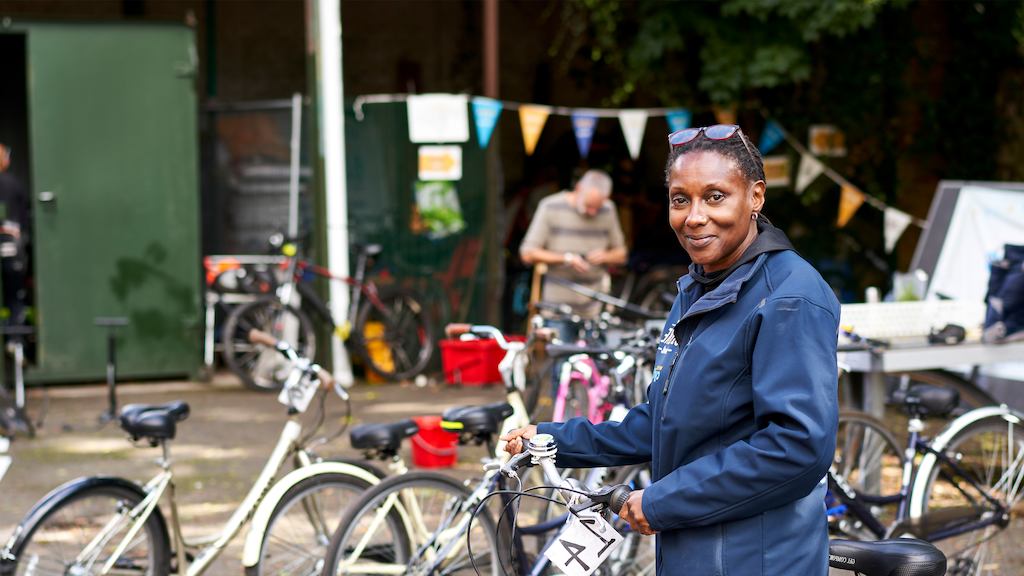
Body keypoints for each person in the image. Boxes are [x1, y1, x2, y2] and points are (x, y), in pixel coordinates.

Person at [503, 125, 840, 576]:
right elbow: (666, 422)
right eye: (680, 199)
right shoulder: (699, 287)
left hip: (755, 560)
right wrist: (554, 440)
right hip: (692, 552)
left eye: (715, 197)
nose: (694, 217)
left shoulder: (788, 296)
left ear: (755, 197)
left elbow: (797, 448)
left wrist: (663, 501)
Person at [519, 169, 628, 319]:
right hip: (557, 309)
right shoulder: (550, 206)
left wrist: (605, 256)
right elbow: (527, 253)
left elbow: (622, 254)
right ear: (578, 189)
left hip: (594, 309)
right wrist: (567, 258)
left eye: (597, 207)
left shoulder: (608, 209)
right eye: (589, 205)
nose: (593, 212)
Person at [0, 144, 30, 324]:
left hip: (13, 246)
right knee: (15, 297)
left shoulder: (12, 184)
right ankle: (15, 336)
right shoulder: (14, 184)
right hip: (15, 247)